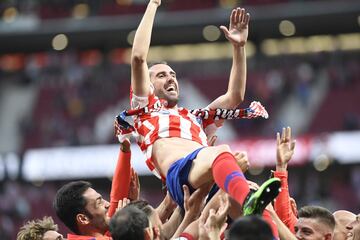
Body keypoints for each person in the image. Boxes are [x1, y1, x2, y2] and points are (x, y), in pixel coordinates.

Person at [128, 0, 280, 216]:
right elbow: (138, 58)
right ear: (149, 85)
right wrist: (153, 4)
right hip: (181, 178)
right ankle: (247, 198)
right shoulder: (144, 110)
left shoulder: (196, 118)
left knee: (263, 215)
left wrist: (239, 47)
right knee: (223, 153)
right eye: (161, 75)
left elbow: (234, 96)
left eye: (173, 74)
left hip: (209, 178)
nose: (171, 78)